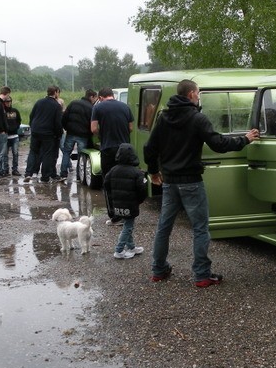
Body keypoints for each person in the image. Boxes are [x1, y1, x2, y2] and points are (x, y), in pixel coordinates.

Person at [144, 80, 259, 287]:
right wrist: (245, 139)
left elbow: (149, 148)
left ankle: (158, 270)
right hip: (191, 182)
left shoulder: (163, 118)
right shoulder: (197, 119)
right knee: (199, 228)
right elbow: (219, 144)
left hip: (169, 182)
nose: (199, 96)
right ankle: (202, 275)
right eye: (198, 93)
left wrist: (153, 172)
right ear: (190, 94)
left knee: (164, 227)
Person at [90, 87, 134, 224]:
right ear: (112, 95)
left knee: (109, 181)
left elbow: (93, 128)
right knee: (125, 181)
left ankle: (115, 216)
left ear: (101, 97)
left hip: (108, 148)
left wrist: (102, 135)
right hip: (125, 150)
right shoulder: (125, 107)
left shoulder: (98, 108)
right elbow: (131, 128)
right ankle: (128, 213)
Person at [103, 143, 148, 259]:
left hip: (117, 204)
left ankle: (132, 247)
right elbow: (143, 189)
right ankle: (119, 250)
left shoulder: (113, 170)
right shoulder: (137, 172)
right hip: (131, 204)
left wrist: (114, 196)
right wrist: (139, 200)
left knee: (127, 225)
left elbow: (106, 184)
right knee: (128, 227)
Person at [23, 86, 64, 183]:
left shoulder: (39, 102)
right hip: (48, 133)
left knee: (33, 152)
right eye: (58, 92)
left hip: (36, 131)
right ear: (55, 93)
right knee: (47, 154)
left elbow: (32, 115)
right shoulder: (56, 105)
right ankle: (45, 176)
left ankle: (28, 173)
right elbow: (58, 123)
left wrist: (32, 126)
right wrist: (59, 134)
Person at [60, 89, 97, 178]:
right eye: (94, 98)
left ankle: (63, 174)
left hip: (71, 133)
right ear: (91, 97)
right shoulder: (91, 108)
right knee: (81, 156)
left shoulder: (73, 103)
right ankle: (79, 176)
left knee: (66, 153)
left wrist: (67, 128)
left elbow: (64, 117)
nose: (95, 101)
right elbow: (92, 123)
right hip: (83, 136)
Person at [4, 96, 22, 177]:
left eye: (9, 101)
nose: (8, 103)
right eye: (6, 102)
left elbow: (19, 120)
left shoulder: (15, 111)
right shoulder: (3, 112)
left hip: (15, 136)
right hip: (6, 136)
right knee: (5, 154)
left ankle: (15, 170)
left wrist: (16, 127)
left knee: (15, 153)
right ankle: (6, 170)